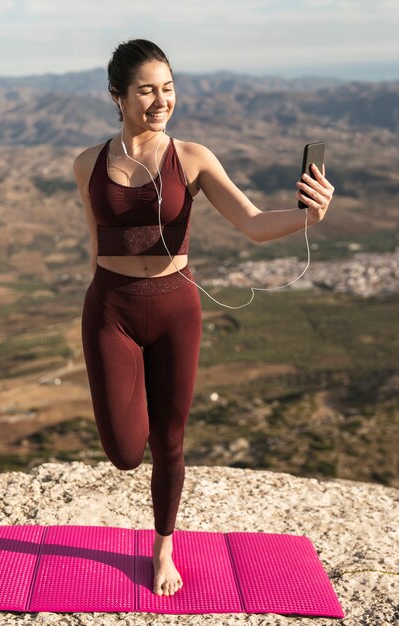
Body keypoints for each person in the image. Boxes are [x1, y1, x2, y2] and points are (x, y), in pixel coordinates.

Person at [72, 38, 334, 598]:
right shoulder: (86, 164)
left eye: (168, 88)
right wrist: (102, 298)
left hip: (175, 309)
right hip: (110, 308)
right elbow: (96, 242)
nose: (161, 100)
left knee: (170, 441)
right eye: (147, 90)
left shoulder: (191, 157)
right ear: (117, 96)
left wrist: (308, 215)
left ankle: (163, 545)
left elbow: (254, 222)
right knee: (123, 452)